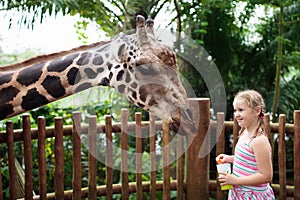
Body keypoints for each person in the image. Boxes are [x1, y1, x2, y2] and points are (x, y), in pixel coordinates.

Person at [216, 90, 275, 199]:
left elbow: (266, 176)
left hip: (253, 195)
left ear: (257, 111)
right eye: (235, 110)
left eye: (241, 110)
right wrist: (230, 159)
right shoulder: (244, 133)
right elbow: (249, 160)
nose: (236, 115)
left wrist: (236, 180)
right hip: (240, 193)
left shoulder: (259, 141)